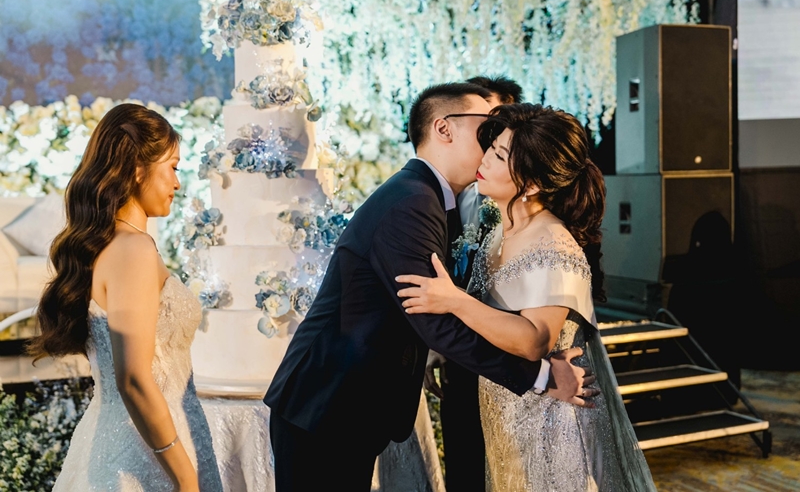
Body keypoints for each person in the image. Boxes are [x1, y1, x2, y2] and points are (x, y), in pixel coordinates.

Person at [264, 84, 598, 491]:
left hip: (343, 403)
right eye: (486, 128)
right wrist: (544, 376)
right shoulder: (413, 202)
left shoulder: (435, 200)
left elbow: (445, 308)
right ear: (444, 128)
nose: (492, 138)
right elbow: (434, 320)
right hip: (327, 402)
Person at [397, 103, 657, 491]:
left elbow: (534, 340)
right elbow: (492, 318)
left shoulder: (552, 244)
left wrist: (454, 301)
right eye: (491, 148)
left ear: (532, 184)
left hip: (554, 425)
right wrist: (443, 349)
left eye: (500, 156)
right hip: (507, 412)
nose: (485, 159)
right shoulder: (499, 232)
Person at [29, 104, 223, 491]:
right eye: (173, 167)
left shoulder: (111, 246)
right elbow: (133, 379)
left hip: (132, 440)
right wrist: (186, 479)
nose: (177, 183)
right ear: (137, 169)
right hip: (145, 456)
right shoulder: (133, 249)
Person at [425, 74, 524, 492]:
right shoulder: (453, 192)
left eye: (495, 124)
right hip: (462, 355)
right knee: (465, 464)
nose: (487, 137)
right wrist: (436, 346)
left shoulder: (533, 209)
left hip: (511, 359)